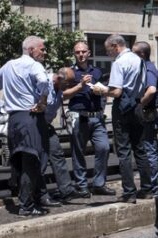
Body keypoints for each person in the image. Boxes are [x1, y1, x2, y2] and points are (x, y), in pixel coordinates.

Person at [0, 36, 50, 217]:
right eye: (41, 49)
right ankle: (26, 206)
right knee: (32, 162)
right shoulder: (35, 66)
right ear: (31, 50)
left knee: (20, 162)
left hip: (14, 121)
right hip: (31, 118)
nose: (44, 52)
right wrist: (43, 100)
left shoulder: (9, 66)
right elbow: (43, 81)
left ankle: (29, 201)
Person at [94, 34, 152, 203]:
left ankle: (129, 192)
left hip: (123, 109)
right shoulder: (138, 60)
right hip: (138, 106)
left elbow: (117, 91)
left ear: (115, 46)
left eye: (108, 50)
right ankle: (147, 189)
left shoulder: (119, 63)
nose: (108, 54)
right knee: (140, 150)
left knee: (124, 151)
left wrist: (102, 90)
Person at [63, 40, 114, 197]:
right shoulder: (69, 73)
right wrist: (80, 85)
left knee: (104, 148)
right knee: (78, 152)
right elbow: (63, 95)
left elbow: (106, 90)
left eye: (83, 51)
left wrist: (102, 91)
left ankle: (99, 184)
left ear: (89, 53)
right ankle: (82, 185)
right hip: (79, 117)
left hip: (97, 117)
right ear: (74, 54)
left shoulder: (97, 72)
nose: (81, 55)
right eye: (78, 52)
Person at [40, 67, 80, 204]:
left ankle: (66, 190)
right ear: (59, 79)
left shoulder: (59, 89)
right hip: (36, 126)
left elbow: (67, 94)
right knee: (41, 161)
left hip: (47, 126)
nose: (68, 86)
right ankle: (41, 195)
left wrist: (81, 86)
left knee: (57, 154)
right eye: (67, 83)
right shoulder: (44, 84)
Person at [133, 41, 158, 197]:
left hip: (147, 115)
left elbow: (151, 90)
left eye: (134, 53)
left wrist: (138, 105)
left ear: (142, 54)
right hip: (149, 114)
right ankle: (153, 186)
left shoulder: (148, 68)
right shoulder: (146, 68)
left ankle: (152, 188)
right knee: (150, 151)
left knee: (149, 152)